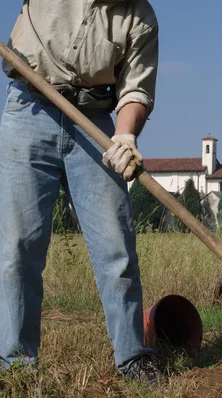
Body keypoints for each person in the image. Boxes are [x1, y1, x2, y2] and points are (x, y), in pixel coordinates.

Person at [0, 0, 163, 387]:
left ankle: (132, 358)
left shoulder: (140, 17)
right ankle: (17, 367)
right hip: (28, 110)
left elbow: (136, 89)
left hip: (95, 123)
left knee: (116, 249)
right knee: (18, 249)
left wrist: (125, 135)